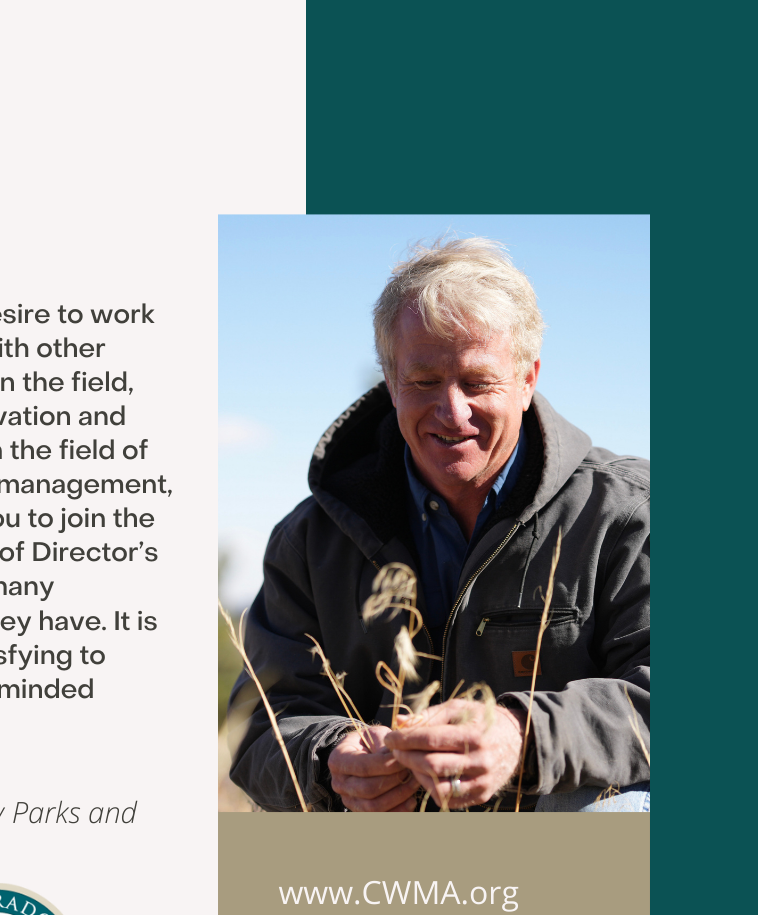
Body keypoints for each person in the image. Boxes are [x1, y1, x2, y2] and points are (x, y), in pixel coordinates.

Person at [228, 238, 649, 812]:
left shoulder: (627, 514)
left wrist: (521, 738)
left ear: (528, 379)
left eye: (477, 382)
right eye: (424, 381)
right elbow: (260, 726)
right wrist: (330, 762)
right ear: (390, 379)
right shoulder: (310, 540)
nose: (452, 412)